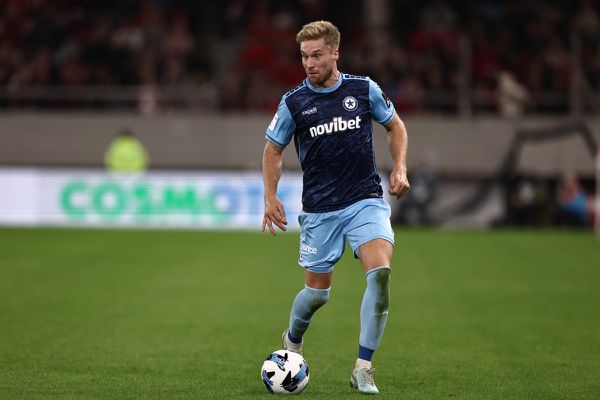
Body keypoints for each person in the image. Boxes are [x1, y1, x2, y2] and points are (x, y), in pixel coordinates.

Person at [261, 20, 410, 394]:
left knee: (380, 274)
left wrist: (400, 167)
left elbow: (395, 126)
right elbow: (273, 150)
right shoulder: (294, 102)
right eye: (304, 57)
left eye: (316, 55)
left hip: (365, 200)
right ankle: (293, 339)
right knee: (317, 295)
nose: (309, 63)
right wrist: (270, 195)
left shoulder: (363, 89)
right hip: (320, 209)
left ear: (335, 52)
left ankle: (363, 367)